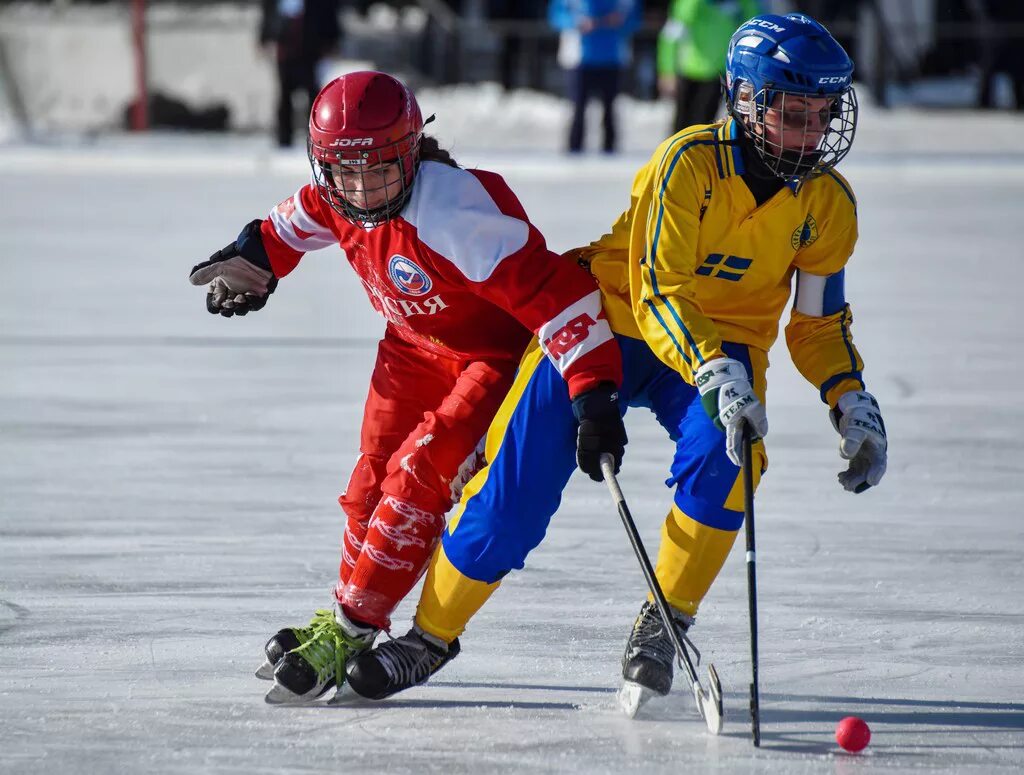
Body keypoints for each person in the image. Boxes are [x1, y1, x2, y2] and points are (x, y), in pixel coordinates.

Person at [343, 14, 889, 704]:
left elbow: (817, 323)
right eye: (793, 112)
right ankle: (429, 635)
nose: (811, 132)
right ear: (747, 102)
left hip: (720, 352)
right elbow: (661, 286)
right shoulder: (688, 164)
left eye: (823, 114)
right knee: (516, 486)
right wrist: (714, 369)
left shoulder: (829, 205)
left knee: (733, 457)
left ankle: (666, 620)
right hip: (611, 324)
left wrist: (849, 397)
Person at [187, 71, 625, 703]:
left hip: (489, 357)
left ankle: (349, 629)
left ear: (412, 151)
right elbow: (292, 225)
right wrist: (257, 262)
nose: (364, 191)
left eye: (382, 172)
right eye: (346, 173)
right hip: (411, 348)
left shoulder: (452, 213)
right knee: (369, 480)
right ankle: (348, 617)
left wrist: (593, 389)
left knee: (417, 475)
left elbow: (558, 295)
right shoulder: (334, 195)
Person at [549, 0, 642, 154]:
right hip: (579, 59)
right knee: (578, 109)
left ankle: (610, 152)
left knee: (610, 110)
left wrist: (620, 21)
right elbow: (556, 16)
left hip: (612, 58)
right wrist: (576, 23)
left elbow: (634, 19)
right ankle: (574, 152)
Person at [658, 0, 763, 133]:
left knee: (703, 127)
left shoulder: (744, 4)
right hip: (689, 71)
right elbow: (671, 36)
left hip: (719, 73)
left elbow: (755, 32)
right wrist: (667, 70)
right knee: (681, 127)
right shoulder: (689, 4)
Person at [259, 0, 341, 147]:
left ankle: (316, 137)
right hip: (285, 52)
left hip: (310, 52)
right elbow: (269, 16)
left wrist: (332, 43)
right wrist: (264, 39)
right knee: (285, 95)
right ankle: (284, 138)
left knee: (313, 96)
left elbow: (328, 16)